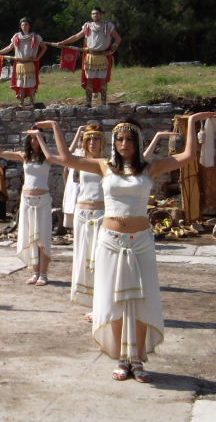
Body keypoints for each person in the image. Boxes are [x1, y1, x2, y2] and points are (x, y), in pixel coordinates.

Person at [29, 112, 214, 383]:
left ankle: (137, 359)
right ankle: (121, 359)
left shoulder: (150, 167)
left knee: (140, 301)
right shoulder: (104, 166)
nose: (123, 143)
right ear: (114, 142)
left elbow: (187, 156)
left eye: (129, 138)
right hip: (109, 241)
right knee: (112, 300)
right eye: (119, 138)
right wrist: (56, 127)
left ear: (137, 141)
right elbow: (67, 159)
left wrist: (193, 122)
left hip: (140, 242)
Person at [30, 123, 107, 320]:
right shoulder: (80, 162)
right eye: (88, 139)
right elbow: (53, 157)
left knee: (101, 261)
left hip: (101, 216)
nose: (92, 142)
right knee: (83, 260)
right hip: (83, 215)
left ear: (102, 141)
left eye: (95, 138)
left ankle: (104, 305)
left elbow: (142, 161)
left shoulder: (109, 162)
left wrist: (156, 138)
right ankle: (93, 304)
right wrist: (41, 136)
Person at [0, 124, 52, 286]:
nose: (34, 141)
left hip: (43, 200)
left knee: (42, 237)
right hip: (27, 200)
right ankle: (35, 272)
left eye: (37, 138)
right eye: (32, 138)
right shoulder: (25, 156)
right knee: (30, 237)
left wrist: (40, 135)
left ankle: (43, 273)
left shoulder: (49, 157)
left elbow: (67, 154)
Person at [57, 7, 121, 107]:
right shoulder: (87, 26)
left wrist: (110, 51)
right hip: (90, 57)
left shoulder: (108, 26)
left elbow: (118, 39)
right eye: (93, 14)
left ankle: (103, 102)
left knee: (102, 80)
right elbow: (76, 36)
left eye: (97, 13)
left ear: (101, 14)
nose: (95, 15)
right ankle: (88, 102)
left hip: (102, 57)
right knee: (89, 80)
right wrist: (63, 42)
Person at [0, 17, 47, 108]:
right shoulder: (16, 36)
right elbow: (9, 48)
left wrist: (37, 58)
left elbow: (44, 47)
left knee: (31, 83)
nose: (24, 26)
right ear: (20, 26)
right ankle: (21, 102)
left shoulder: (35, 36)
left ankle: (32, 101)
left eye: (26, 24)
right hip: (20, 64)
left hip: (30, 63)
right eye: (22, 25)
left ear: (29, 26)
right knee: (20, 84)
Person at [62, 126, 86, 229]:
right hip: (73, 184)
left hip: (83, 184)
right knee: (72, 205)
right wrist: (79, 131)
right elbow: (66, 170)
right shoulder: (75, 152)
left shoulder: (88, 154)